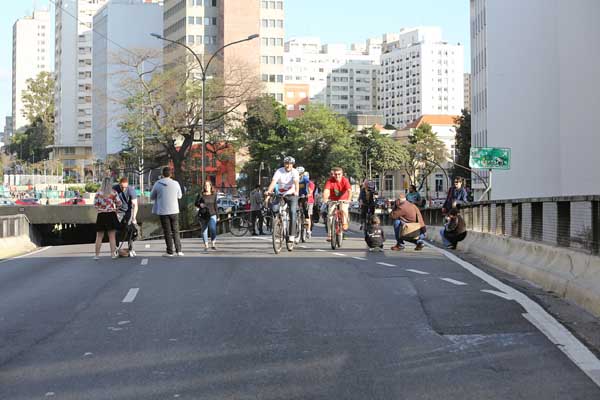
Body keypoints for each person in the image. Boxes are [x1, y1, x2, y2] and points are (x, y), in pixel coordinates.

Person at [151, 167, 183, 257]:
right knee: (176, 231)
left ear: (162, 174)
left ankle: (170, 251)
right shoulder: (176, 183)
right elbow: (179, 196)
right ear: (171, 174)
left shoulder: (158, 183)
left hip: (163, 211)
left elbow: (152, 196)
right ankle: (179, 250)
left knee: (167, 231)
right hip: (174, 210)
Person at [266, 156, 300, 243]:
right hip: (280, 194)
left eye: (290, 164)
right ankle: (278, 226)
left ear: (293, 164)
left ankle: (292, 235)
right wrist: (269, 191)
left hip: (291, 194)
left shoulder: (295, 172)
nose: (288, 165)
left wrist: (296, 191)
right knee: (274, 209)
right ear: (284, 164)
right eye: (286, 164)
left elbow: (296, 183)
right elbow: (273, 182)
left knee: (292, 212)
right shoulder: (279, 171)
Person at [93, 177, 122, 260]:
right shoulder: (113, 193)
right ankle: (113, 254)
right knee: (112, 236)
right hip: (111, 214)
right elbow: (119, 203)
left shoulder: (98, 193)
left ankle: (97, 255)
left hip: (101, 215)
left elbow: (95, 205)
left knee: (99, 236)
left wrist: (100, 209)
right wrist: (115, 209)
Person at [322, 167, 352, 241]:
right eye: (335, 174)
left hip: (344, 199)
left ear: (342, 174)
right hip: (333, 199)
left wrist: (348, 199)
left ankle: (344, 222)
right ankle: (330, 235)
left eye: (339, 174)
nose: (337, 176)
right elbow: (326, 190)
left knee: (344, 209)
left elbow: (349, 191)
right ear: (333, 174)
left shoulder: (345, 180)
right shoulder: (330, 181)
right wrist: (325, 199)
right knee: (330, 216)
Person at [113, 177, 138, 257]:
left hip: (128, 211)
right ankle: (116, 249)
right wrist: (114, 211)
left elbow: (135, 205)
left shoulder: (131, 190)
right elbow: (111, 201)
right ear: (119, 184)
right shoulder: (115, 189)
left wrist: (134, 217)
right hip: (118, 211)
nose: (124, 189)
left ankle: (131, 249)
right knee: (116, 231)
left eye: (125, 187)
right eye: (122, 187)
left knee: (129, 230)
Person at [195, 180, 218, 252]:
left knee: (213, 229)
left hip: (212, 214)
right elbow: (196, 203)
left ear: (211, 186)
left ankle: (213, 244)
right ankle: (206, 245)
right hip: (203, 215)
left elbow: (215, 205)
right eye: (205, 185)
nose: (207, 186)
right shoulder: (201, 195)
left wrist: (218, 215)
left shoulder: (214, 195)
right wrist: (200, 205)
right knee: (204, 230)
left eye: (208, 185)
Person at [297, 167, 314, 238]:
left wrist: (308, 194)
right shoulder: (295, 179)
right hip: (297, 196)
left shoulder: (305, 179)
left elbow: (309, 187)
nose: (299, 175)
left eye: (300, 174)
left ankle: (308, 230)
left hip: (305, 197)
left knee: (306, 213)